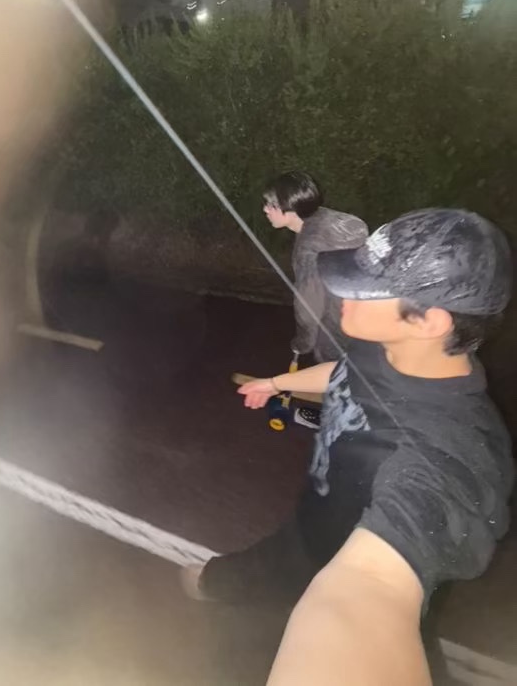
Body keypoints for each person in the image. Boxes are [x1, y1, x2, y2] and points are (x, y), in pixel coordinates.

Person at [181, 208, 514, 682]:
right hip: (305, 530)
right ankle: (213, 584)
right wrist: (277, 384)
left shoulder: (452, 456)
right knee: (223, 578)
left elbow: (365, 589)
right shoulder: (388, 344)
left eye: (369, 289)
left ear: (430, 321)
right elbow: (346, 373)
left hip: (349, 557)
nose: (342, 294)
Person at [262, 171, 367, 362]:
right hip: (369, 324)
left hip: (337, 331)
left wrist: (303, 343)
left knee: (332, 371)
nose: (265, 210)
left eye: (271, 205)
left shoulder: (309, 247)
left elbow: (309, 305)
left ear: (290, 207)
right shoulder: (333, 221)